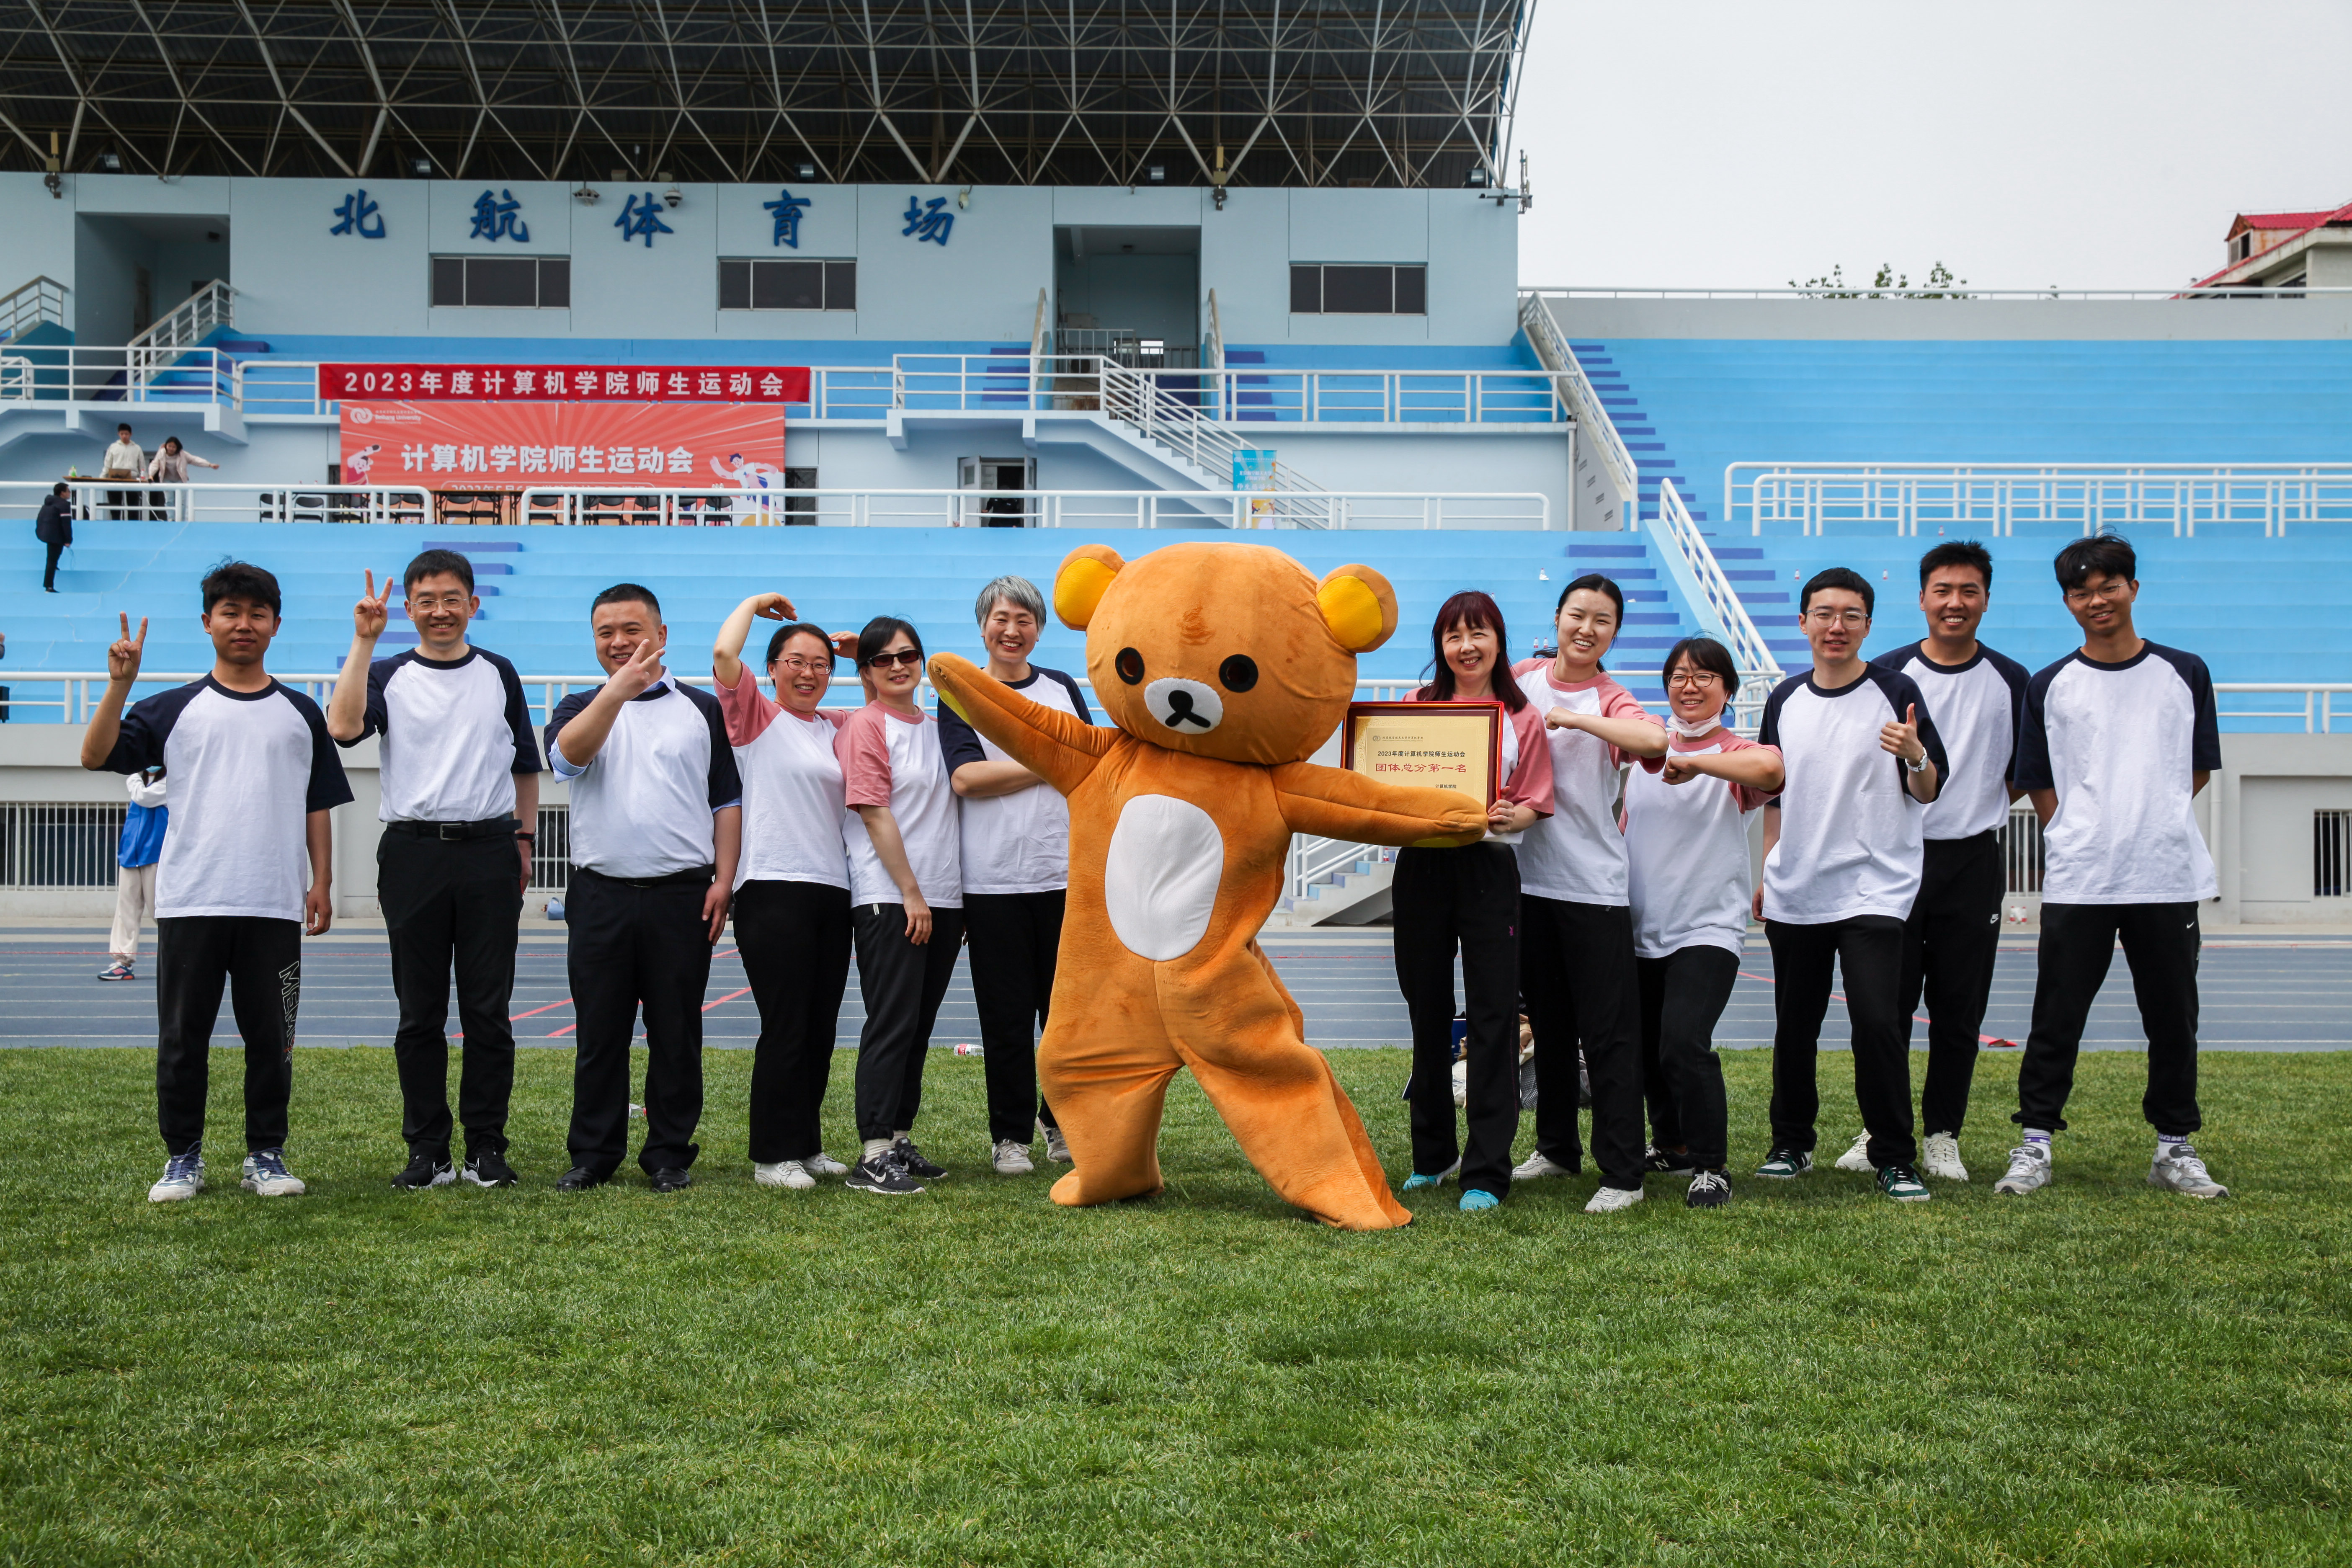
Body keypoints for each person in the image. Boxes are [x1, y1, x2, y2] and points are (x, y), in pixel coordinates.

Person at [79, 563, 351, 1203]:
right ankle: (183, 1157)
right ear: (208, 623)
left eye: (257, 613)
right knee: (182, 1040)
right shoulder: (171, 709)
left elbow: (318, 803)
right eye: (231, 612)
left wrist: (323, 882)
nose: (243, 624)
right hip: (191, 900)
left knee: (273, 1041)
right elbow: (95, 756)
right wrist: (119, 685)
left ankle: (266, 1155)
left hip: (273, 902)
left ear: (276, 625)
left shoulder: (300, 713)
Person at [1996, 534, 2227, 1199]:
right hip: (2082, 878)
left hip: (2165, 874)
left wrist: (2152, 817)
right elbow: (2036, 777)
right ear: (2068, 602)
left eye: (2108, 587)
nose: (2096, 600)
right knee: (2056, 1016)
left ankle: (2175, 1146)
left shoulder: (2185, 672)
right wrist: (2073, 831)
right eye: (2081, 592)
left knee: (2173, 1018)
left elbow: (2198, 766)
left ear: (2133, 588)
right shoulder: (2051, 685)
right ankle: (2035, 1142)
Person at [327, 550, 542, 1191]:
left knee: (488, 1011)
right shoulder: (387, 673)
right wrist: (364, 640)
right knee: (419, 1013)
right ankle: (428, 1150)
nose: (440, 611)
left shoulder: (499, 673)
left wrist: (524, 839)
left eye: (452, 600)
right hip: (413, 853)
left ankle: (486, 1147)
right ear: (409, 609)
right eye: (426, 601)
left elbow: (524, 765)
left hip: (489, 851)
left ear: (472, 605)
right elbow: (342, 728)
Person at [1753, 567, 1947, 1202]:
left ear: (1868, 625)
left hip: (1875, 887)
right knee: (1795, 1025)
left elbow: (1928, 790)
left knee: (1877, 1021)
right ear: (1803, 621)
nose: (1836, 627)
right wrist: (1769, 867)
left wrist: (1915, 754)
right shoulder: (1785, 698)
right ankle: (1791, 1144)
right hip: (1797, 887)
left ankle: (1893, 1155)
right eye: (1824, 614)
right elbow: (1773, 792)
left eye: (1851, 616)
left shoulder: (1897, 691)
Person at [545, 584, 742, 1193]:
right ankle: (593, 1154)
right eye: (605, 632)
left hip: (681, 894)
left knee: (676, 1031)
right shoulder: (579, 705)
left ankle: (668, 1154)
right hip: (600, 893)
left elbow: (726, 800)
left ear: (661, 635)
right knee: (599, 1032)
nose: (619, 642)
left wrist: (725, 879)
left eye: (632, 629)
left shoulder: (700, 708)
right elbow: (566, 760)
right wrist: (617, 693)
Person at [1860, 541, 2030, 1183]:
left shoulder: (2013, 680)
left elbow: (2019, 774)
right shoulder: (1886, 673)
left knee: (1959, 1010)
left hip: (1972, 862)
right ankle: (1882, 1129)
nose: (1955, 603)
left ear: (1986, 599)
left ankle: (1941, 1135)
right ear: (1922, 598)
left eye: (1969, 591)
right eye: (1943, 591)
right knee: (1887, 1008)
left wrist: (1974, 805)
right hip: (1895, 858)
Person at [1507, 573, 1667, 1212]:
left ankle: (1623, 1173)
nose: (1587, 629)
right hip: (1526, 882)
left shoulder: (1613, 698)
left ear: (1614, 633)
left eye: (1602, 621)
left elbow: (1654, 741)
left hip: (1592, 887)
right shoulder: (1522, 677)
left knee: (1608, 1034)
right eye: (1578, 615)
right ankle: (1555, 1149)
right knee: (1548, 1025)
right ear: (1557, 617)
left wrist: (1576, 717)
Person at [1392, 591, 1553, 1212]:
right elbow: (1387, 781)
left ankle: (1487, 1169)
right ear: (1440, 646)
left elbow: (1537, 798)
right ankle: (1433, 1156)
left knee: (1493, 1016)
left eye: (1478, 633)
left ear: (1498, 642)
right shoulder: (1414, 708)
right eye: (1454, 635)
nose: (1467, 646)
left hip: (1489, 867)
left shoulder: (1522, 716)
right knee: (1427, 1010)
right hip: (1423, 864)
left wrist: (1517, 815)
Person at [936, 575, 1091, 1175]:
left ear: (1039, 629)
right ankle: (1010, 1136)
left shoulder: (1062, 688)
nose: (1012, 630)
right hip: (992, 883)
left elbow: (1088, 765)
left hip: (1063, 877)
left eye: (1024, 619)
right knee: (1004, 1019)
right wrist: (1049, 759)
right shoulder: (962, 694)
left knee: (1067, 1018)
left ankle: (1062, 1123)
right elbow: (967, 779)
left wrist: (1059, 762)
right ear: (983, 628)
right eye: (1001, 619)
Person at [1623, 637, 1783, 1208]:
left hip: (1707, 926)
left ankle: (1712, 1165)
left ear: (1728, 689)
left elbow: (1772, 770)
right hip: (1641, 923)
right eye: (1678, 676)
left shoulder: (1738, 754)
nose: (1689, 686)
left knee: (1683, 1042)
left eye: (1704, 676)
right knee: (1647, 1049)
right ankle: (1672, 1145)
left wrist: (1694, 761)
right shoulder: (1645, 748)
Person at [711, 591, 856, 1191]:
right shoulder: (756, 720)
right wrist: (752, 604)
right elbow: (725, 654)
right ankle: (773, 1156)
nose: (808, 673)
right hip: (773, 887)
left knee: (821, 1027)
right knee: (787, 1024)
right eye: (795, 661)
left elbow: (886, 709)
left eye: (821, 664)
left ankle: (806, 1144)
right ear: (771, 669)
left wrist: (865, 655)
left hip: (833, 890)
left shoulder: (838, 726)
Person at [837, 616, 963, 1197]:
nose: (897, 666)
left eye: (907, 655)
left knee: (917, 1027)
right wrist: (911, 892)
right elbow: (874, 812)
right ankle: (873, 1153)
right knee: (891, 1024)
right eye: (882, 659)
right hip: (892, 897)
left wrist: (942, 896)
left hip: (942, 897)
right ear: (865, 671)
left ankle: (899, 1137)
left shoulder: (935, 727)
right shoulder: (865, 725)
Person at [99, 766, 169, 982]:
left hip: (155, 855)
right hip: (131, 854)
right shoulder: (139, 781)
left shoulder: (170, 782)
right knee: (126, 911)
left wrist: (132, 777)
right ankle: (123, 962)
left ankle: (185, 957)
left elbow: (144, 797)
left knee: (162, 911)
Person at [146, 436, 220, 518]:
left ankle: (181, 519)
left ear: (177, 448)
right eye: (170, 446)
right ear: (166, 445)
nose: (171, 449)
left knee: (181, 502)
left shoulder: (183, 454)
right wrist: (151, 475)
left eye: (174, 447)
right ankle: (171, 519)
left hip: (180, 480)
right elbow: (155, 464)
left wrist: (209, 465)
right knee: (169, 501)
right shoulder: (161, 453)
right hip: (167, 480)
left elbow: (195, 460)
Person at [101, 423, 145, 521]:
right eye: (122, 434)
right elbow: (108, 464)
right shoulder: (113, 447)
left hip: (133, 479)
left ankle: (133, 525)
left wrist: (144, 478)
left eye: (126, 434)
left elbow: (142, 466)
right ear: (119, 434)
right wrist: (103, 478)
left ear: (131, 434)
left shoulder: (137, 448)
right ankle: (116, 524)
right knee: (115, 506)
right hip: (115, 478)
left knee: (133, 507)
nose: (124, 436)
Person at [37, 480, 72, 592]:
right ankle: (49, 586)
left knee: (52, 558)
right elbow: (66, 524)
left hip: (48, 534)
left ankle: (54, 568)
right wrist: (68, 539)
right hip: (56, 536)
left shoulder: (49, 503)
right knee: (51, 561)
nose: (70, 493)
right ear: (62, 493)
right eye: (68, 491)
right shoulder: (64, 505)